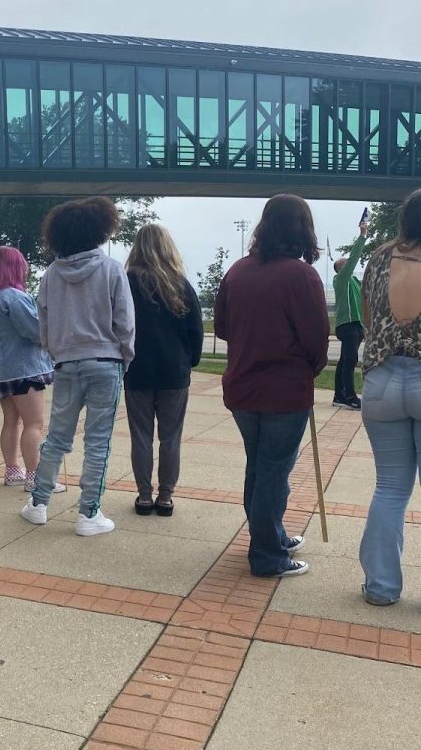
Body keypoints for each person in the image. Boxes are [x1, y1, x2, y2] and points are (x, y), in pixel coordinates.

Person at [214, 195, 329, 578]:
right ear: (302, 229)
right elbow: (316, 340)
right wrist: (306, 371)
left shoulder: (237, 271)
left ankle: (270, 535)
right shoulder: (301, 275)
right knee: (273, 472)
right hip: (284, 390)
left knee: (260, 468)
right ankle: (266, 553)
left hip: (243, 388)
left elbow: (222, 329)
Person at [21, 197, 135, 537]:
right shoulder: (112, 269)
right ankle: (89, 513)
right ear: (99, 231)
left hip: (66, 362)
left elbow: (44, 322)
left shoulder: (51, 275)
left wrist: (56, 349)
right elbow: (125, 322)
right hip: (105, 361)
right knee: (98, 441)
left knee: (57, 437)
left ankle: (38, 504)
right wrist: (124, 358)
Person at [357, 188, 421, 605]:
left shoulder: (379, 257)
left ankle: (380, 588)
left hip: (381, 380)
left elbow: (366, 315)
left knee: (390, 489)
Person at [124, 224, 203, 517]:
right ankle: (166, 496)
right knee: (171, 437)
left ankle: (144, 496)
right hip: (174, 371)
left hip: (137, 369)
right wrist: (190, 361)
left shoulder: (126, 282)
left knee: (141, 435)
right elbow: (195, 330)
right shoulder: (180, 284)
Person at [0, 245, 58, 491]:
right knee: (34, 424)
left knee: (11, 421)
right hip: (23, 370)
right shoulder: (15, 297)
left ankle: (13, 470)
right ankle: (36, 478)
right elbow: (35, 331)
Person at [332, 216, 370, 409]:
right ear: (340, 269)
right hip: (346, 325)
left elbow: (364, 303)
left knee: (344, 360)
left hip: (355, 325)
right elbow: (355, 256)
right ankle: (350, 397)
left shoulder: (354, 282)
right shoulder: (341, 280)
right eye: (345, 263)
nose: (349, 264)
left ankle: (339, 395)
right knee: (350, 360)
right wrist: (362, 236)